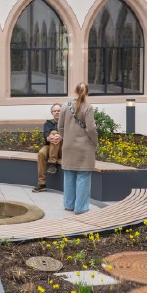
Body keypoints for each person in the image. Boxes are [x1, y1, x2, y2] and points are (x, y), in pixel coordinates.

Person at [57, 82, 98, 213]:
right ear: (87, 93)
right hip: (84, 147)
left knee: (69, 174)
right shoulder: (88, 107)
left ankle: (69, 204)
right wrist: (95, 141)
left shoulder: (65, 106)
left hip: (68, 146)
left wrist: (67, 137)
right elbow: (91, 128)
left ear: (74, 91)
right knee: (83, 176)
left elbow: (60, 127)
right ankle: (81, 207)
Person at [32, 102, 62, 192]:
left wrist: (61, 136)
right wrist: (49, 138)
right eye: (55, 111)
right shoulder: (48, 123)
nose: (57, 112)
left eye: (59, 111)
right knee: (41, 153)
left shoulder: (66, 123)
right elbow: (45, 134)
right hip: (50, 146)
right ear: (52, 113)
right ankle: (41, 184)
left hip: (62, 149)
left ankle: (52, 163)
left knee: (54, 133)